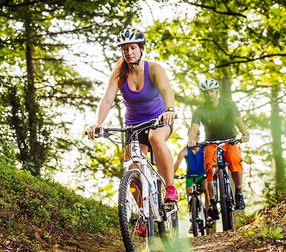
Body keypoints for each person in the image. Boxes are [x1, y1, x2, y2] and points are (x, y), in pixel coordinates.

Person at [86, 28, 178, 202]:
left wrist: (170, 110)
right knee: (132, 169)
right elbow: (107, 100)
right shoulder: (119, 73)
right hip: (133, 125)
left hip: (158, 120)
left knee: (155, 138)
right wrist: (97, 123)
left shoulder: (154, 69)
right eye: (125, 49)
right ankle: (142, 218)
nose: (129, 52)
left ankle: (171, 188)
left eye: (133, 48)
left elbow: (167, 89)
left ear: (141, 48)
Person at [188, 78, 249, 219]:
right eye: (206, 92)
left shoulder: (229, 105)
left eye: (211, 91)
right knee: (209, 167)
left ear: (216, 92)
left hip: (230, 140)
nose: (209, 94)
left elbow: (238, 121)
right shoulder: (200, 110)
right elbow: (194, 127)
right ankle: (214, 202)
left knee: (234, 160)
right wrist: (191, 139)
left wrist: (245, 133)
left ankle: (238, 193)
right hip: (211, 142)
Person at [174, 130, 214, 232]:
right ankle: (193, 220)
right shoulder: (185, 150)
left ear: (199, 137)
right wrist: (172, 173)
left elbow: (210, 161)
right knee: (189, 192)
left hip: (202, 175)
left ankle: (208, 215)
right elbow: (178, 162)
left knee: (206, 189)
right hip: (190, 176)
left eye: (196, 136)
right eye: (191, 136)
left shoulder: (204, 149)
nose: (193, 138)